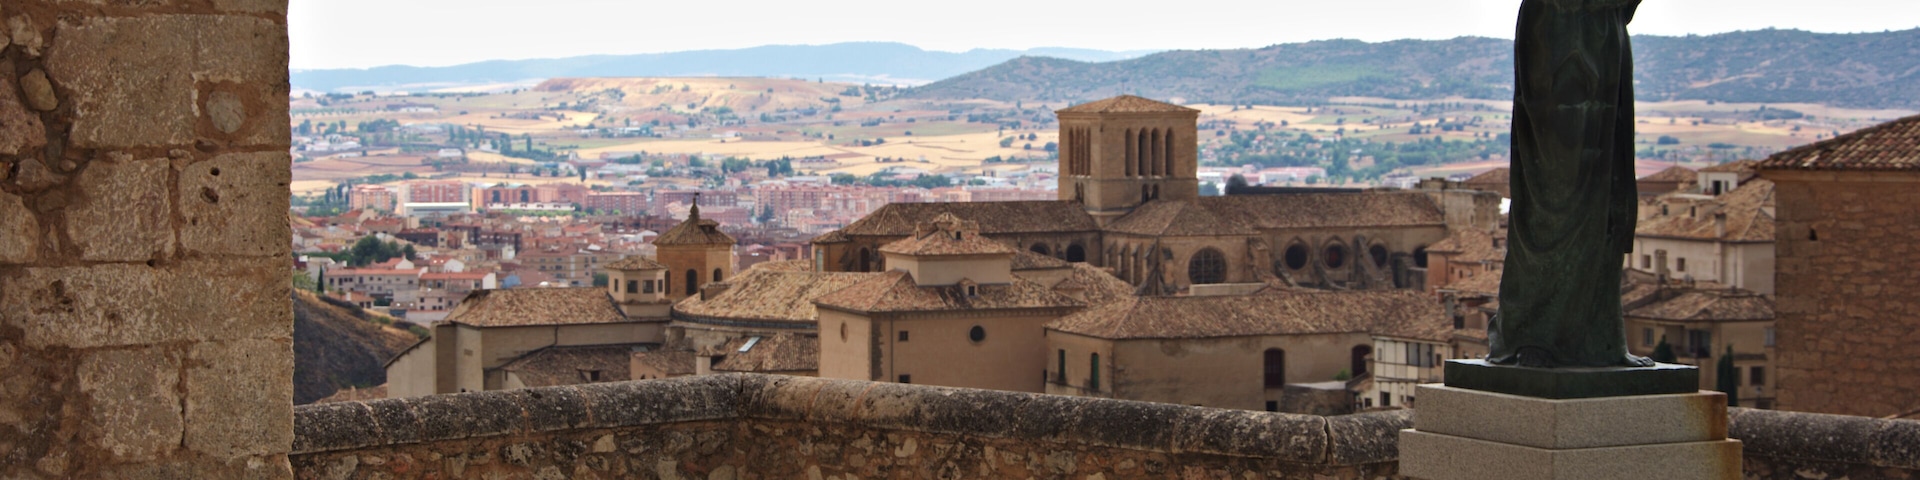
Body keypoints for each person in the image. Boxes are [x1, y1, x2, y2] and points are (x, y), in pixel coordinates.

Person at [1489, 0, 1653, 368]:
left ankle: (1601, 340)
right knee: (1554, 192)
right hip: (1557, 32)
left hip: (1604, 33)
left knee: (1606, 193)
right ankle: (1532, 335)